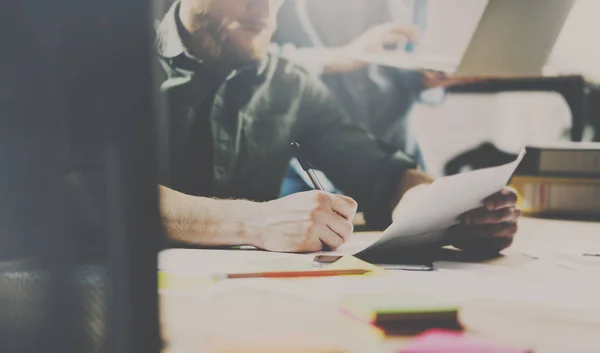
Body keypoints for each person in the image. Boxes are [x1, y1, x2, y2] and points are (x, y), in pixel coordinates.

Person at [156, 0, 521, 254]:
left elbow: (383, 175)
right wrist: (255, 221)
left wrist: (459, 211)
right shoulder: (113, 63)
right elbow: (103, 194)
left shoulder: (291, 85)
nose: (265, 10)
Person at [271, 0, 473, 196]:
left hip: (397, 150)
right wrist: (339, 57)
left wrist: (429, 81)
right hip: (308, 165)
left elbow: (413, 59)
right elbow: (255, 59)